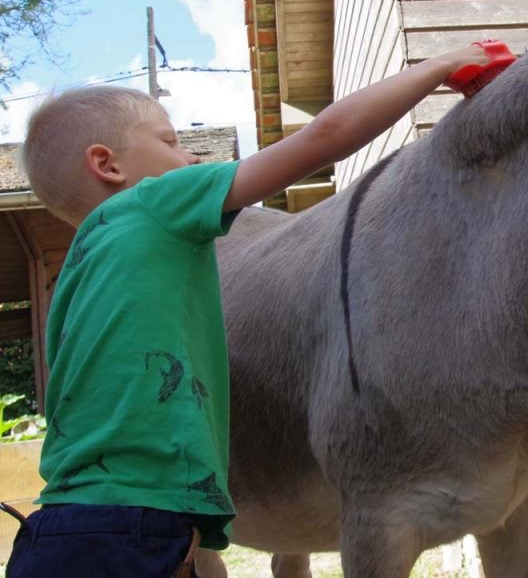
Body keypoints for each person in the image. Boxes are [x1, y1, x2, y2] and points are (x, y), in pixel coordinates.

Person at [4, 44, 493, 578]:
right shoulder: (153, 202)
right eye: (170, 142)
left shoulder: (72, 278)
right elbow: (323, 139)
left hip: (56, 525)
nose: (190, 158)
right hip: (136, 526)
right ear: (108, 164)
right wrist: (441, 66)